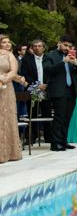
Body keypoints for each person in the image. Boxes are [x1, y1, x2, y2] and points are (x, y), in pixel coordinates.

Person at [43, 35, 77, 151]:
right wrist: (62, 62)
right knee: (59, 117)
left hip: (71, 91)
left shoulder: (71, 57)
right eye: (65, 45)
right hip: (58, 91)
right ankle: (55, 143)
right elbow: (48, 71)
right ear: (59, 43)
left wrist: (76, 64)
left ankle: (63, 141)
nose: (67, 48)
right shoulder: (49, 56)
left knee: (67, 117)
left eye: (70, 46)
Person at [19, 39, 51, 143]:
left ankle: (48, 136)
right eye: (35, 46)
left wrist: (46, 84)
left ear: (43, 47)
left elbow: (53, 72)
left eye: (40, 46)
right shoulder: (26, 59)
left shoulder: (49, 58)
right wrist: (38, 85)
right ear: (32, 48)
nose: (37, 48)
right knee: (32, 113)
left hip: (47, 88)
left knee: (47, 112)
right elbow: (25, 74)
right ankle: (31, 137)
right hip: (33, 89)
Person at [0, 35, 22, 163]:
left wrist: (2, 80)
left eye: (9, 42)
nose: (7, 44)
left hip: (6, 89)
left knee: (6, 118)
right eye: (4, 42)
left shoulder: (10, 55)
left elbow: (13, 71)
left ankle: (9, 153)